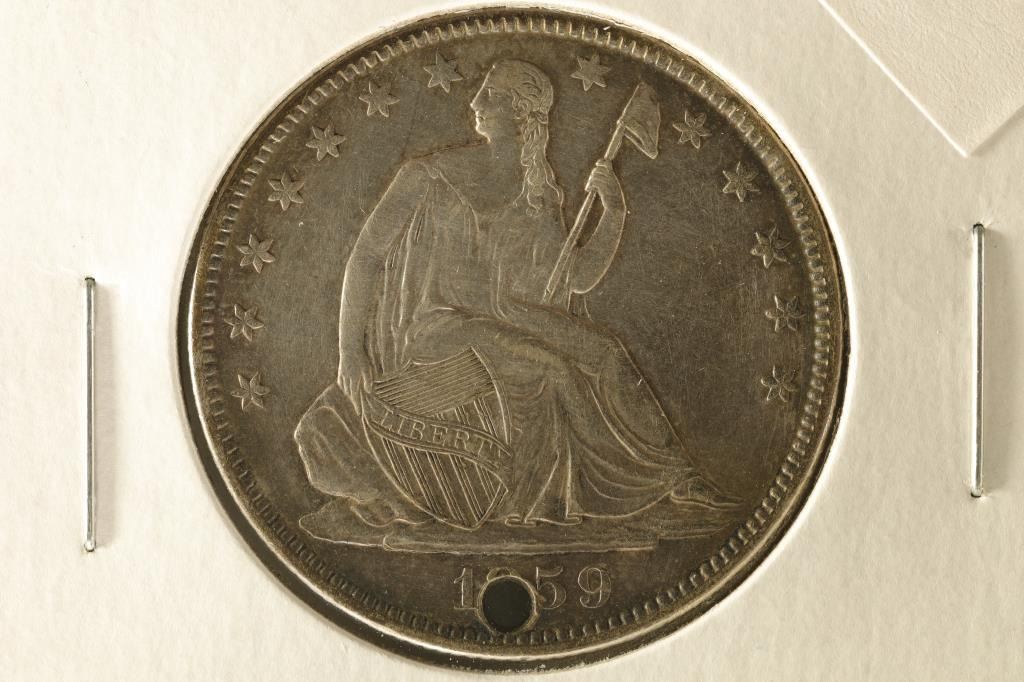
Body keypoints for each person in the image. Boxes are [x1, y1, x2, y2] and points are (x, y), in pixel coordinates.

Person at [295, 59, 729, 532]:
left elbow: (577, 277)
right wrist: (350, 351)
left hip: (508, 317)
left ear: (520, 114)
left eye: (490, 96)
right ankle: (548, 503)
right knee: (552, 368)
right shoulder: (425, 175)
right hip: (439, 326)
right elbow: (365, 257)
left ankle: (676, 479)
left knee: (605, 351)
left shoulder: (538, 192)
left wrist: (614, 212)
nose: (475, 103)